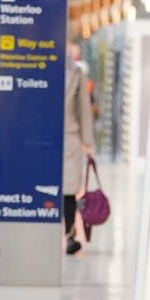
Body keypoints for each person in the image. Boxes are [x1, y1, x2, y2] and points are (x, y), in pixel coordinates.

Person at [63, 42, 96, 255]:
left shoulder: (76, 72)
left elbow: (84, 107)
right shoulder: (38, 66)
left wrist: (87, 140)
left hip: (69, 138)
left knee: (68, 190)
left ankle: (69, 235)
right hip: (40, 141)